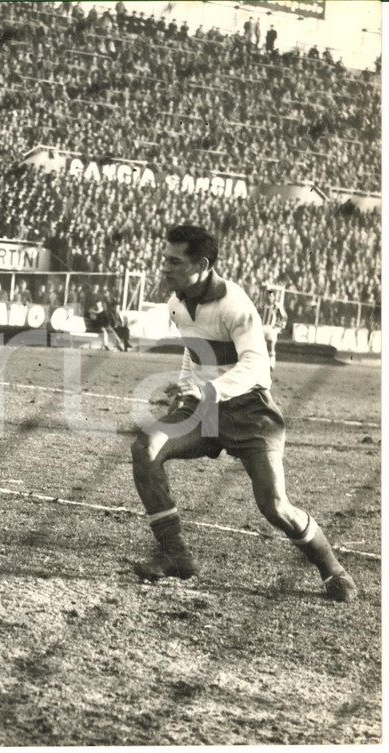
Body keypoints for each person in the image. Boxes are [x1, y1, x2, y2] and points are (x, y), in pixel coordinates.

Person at [129, 225, 357, 602]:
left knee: (274, 506)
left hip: (251, 412)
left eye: (174, 261)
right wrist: (187, 390)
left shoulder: (234, 303)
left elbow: (256, 366)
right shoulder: (177, 302)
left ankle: (332, 569)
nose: (164, 267)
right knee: (146, 447)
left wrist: (208, 389)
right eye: (164, 259)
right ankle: (175, 554)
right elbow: (192, 350)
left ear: (201, 264)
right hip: (205, 408)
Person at [260, 286, 288, 372]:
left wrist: (279, 326)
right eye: (268, 296)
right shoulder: (262, 306)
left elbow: (284, 317)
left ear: (274, 297)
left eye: (271, 296)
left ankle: (271, 364)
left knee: (271, 346)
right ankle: (263, 365)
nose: (270, 298)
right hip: (262, 328)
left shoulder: (277, 306)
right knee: (262, 347)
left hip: (271, 329)